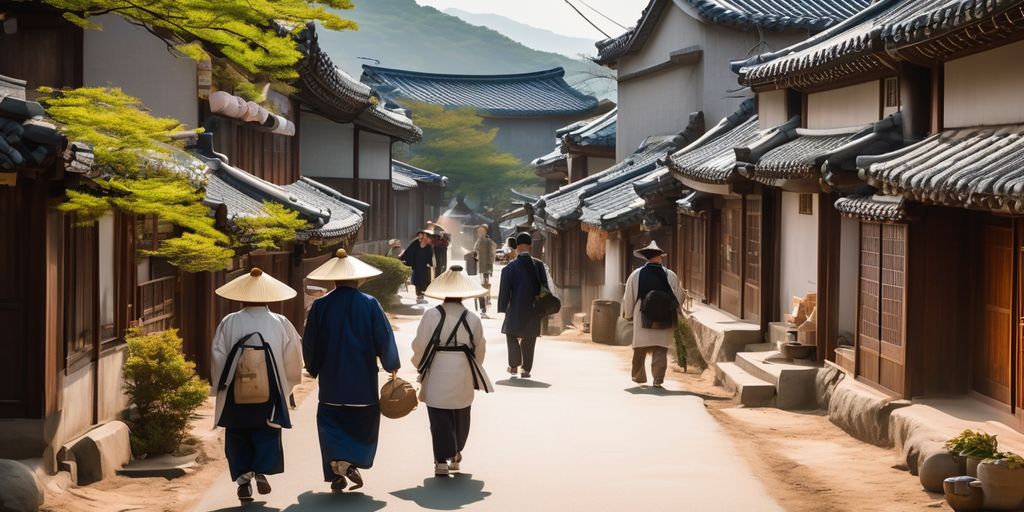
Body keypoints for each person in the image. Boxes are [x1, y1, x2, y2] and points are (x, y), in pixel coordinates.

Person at [303, 249, 401, 493]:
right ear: (358, 279)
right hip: (362, 380)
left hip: (331, 379)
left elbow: (310, 341)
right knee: (363, 424)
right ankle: (349, 462)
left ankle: (337, 470)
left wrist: (312, 368)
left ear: (333, 280)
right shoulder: (370, 304)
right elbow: (383, 337)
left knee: (330, 423)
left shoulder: (321, 305)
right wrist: (391, 365)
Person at [211, 268, 303, 503]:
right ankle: (261, 470)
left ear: (241, 296)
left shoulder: (229, 321)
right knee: (267, 430)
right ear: (269, 296)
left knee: (238, 433)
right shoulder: (280, 322)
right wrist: (288, 383)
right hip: (270, 389)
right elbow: (293, 357)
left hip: (235, 389)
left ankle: (243, 481)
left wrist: (221, 386)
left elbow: (218, 356)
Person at [411, 266, 494, 477]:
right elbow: (480, 349)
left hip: (438, 368)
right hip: (463, 369)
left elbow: (420, 344)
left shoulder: (431, 315)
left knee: (438, 415)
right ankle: (456, 452)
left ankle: (441, 461)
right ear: (464, 294)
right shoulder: (473, 318)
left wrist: (419, 364)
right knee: (461, 413)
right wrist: (475, 370)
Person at [622, 241, 684, 389]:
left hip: (642, 314)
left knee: (640, 348)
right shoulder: (670, 275)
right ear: (660, 257)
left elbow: (629, 297)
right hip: (664, 316)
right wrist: (676, 312)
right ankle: (658, 379)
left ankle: (638, 375)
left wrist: (628, 314)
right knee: (660, 348)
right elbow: (678, 296)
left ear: (646, 258)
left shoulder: (636, 275)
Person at [497, 232, 556, 379]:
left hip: (516, 306)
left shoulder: (509, 268)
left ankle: (513, 365)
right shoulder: (539, 265)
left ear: (516, 247)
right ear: (530, 246)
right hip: (534, 307)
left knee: (511, 334)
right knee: (530, 337)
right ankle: (526, 369)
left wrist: (503, 307)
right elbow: (545, 288)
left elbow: (504, 290)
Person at [400, 230, 435, 302]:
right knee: (417, 280)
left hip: (424, 267)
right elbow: (409, 251)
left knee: (424, 280)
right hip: (416, 265)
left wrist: (430, 263)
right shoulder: (415, 244)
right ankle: (418, 294)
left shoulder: (429, 247)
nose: (427, 239)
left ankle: (422, 293)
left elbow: (430, 256)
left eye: (426, 236)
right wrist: (402, 257)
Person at [472, 225, 497, 319]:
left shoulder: (489, 242)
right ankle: (482, 310)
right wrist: (474, 255)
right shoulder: (478, 241)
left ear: (486, 232)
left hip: (485, 269)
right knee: (480, 289)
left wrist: (490, 267)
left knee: (484, 289)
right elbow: (474, 252)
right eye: (479, 231)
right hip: (478, 268)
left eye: (482, 231)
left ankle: (484, 309)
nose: (480, 233)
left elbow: (492, 255)